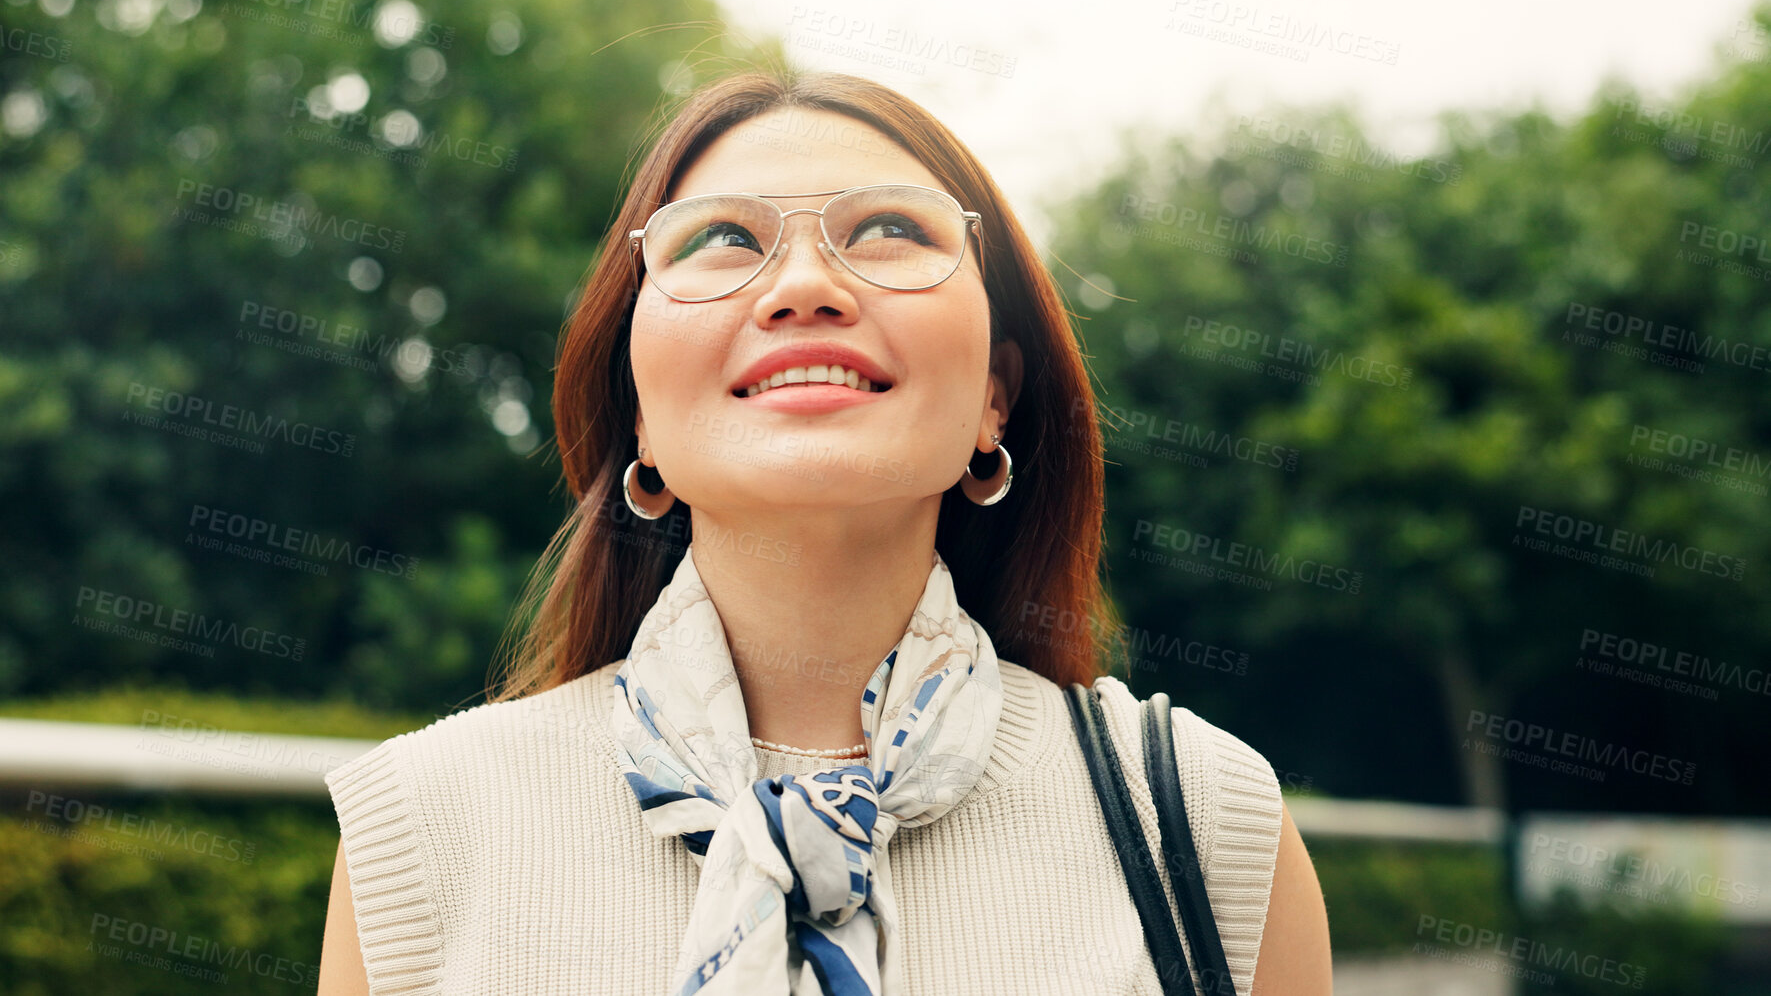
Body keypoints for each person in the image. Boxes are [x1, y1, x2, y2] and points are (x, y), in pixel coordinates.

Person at [317, 66, 1331, 995]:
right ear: (638, 418)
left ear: (994, 398)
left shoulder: (1204, 820)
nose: (804, 285)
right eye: (723, 239)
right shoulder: (419, 826)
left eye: (892, 230)